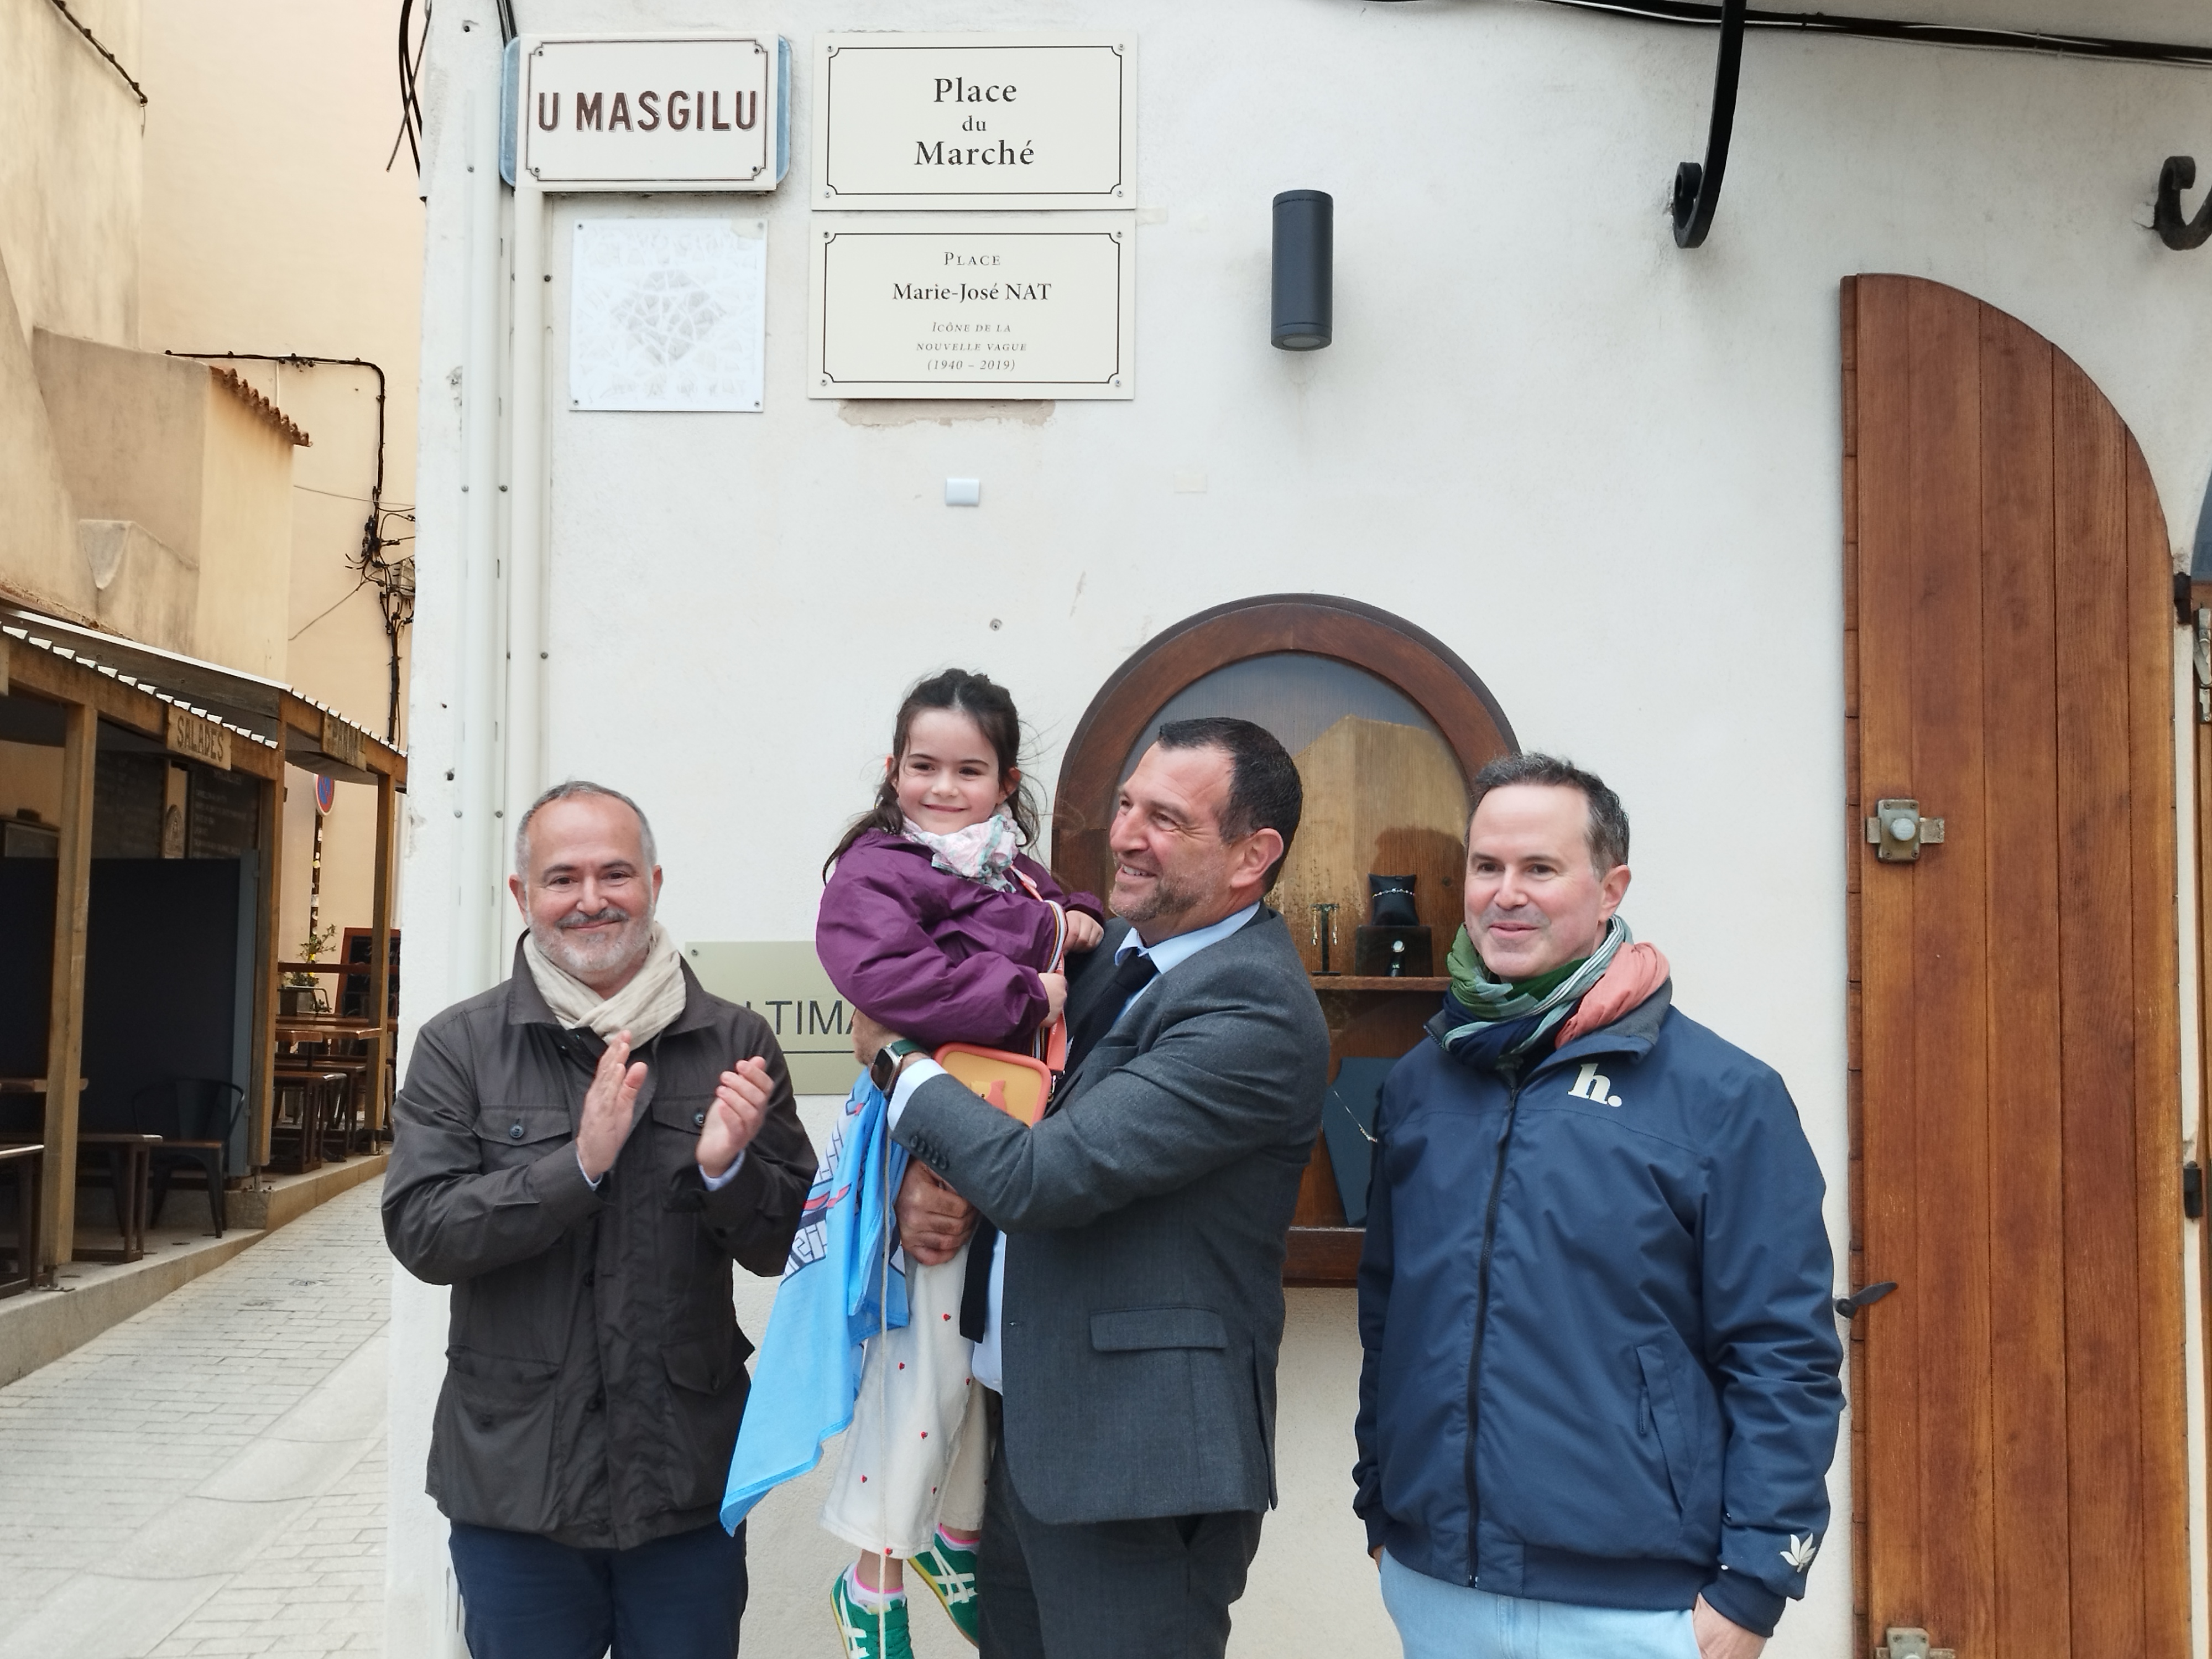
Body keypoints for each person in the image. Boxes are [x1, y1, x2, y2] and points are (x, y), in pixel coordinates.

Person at [859, 716, 1332, 1659]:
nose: (1124, 834)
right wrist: (931, 1183)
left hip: (1141, 1473)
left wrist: (897, 1065)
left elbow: (1044, 1176)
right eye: (1125, 805)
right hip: (1039, 1446)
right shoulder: (1116, 955)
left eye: (1165, 818)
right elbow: (1021, 1115)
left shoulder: (1254, 1009)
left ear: (1253, 856)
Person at [1352, 754, 1843, 1659]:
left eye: (1540, 869)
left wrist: (1753, 1588)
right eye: (1487, 868)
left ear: (1610, 886)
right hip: (1435, 1586)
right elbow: (1390, 1313)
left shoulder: (1724, 1097)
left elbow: (1785, 1356)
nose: (1507, 895)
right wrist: (1381, 1505)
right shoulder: (1423, 1083)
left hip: (1640, 1612)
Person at [383, 780, 815, 1659]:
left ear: (654, 882)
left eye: (615, 874)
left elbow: (789, 1244)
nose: (591, 900)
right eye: (562, 878)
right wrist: (575, 1166)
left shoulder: (736, 1043)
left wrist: (728, 1170)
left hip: (683, 1481)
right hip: (515, 1487)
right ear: (523, 895)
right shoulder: (458, 1047)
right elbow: (423, 1231)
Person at [804, 667, 1108, 1657]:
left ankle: (949, 1533)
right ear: (893, 771)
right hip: (927, 1123)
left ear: (1006, 779)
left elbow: (1062, 913)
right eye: (924, 766)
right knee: (925, 1352)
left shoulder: (1008, 866)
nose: (943, 787)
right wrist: (1027, 986)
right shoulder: (878, 868)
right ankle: (873, 1570)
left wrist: (1070, 917)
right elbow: (886, 981)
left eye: (967, 770)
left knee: (979, 1351)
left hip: (1005, 1125)